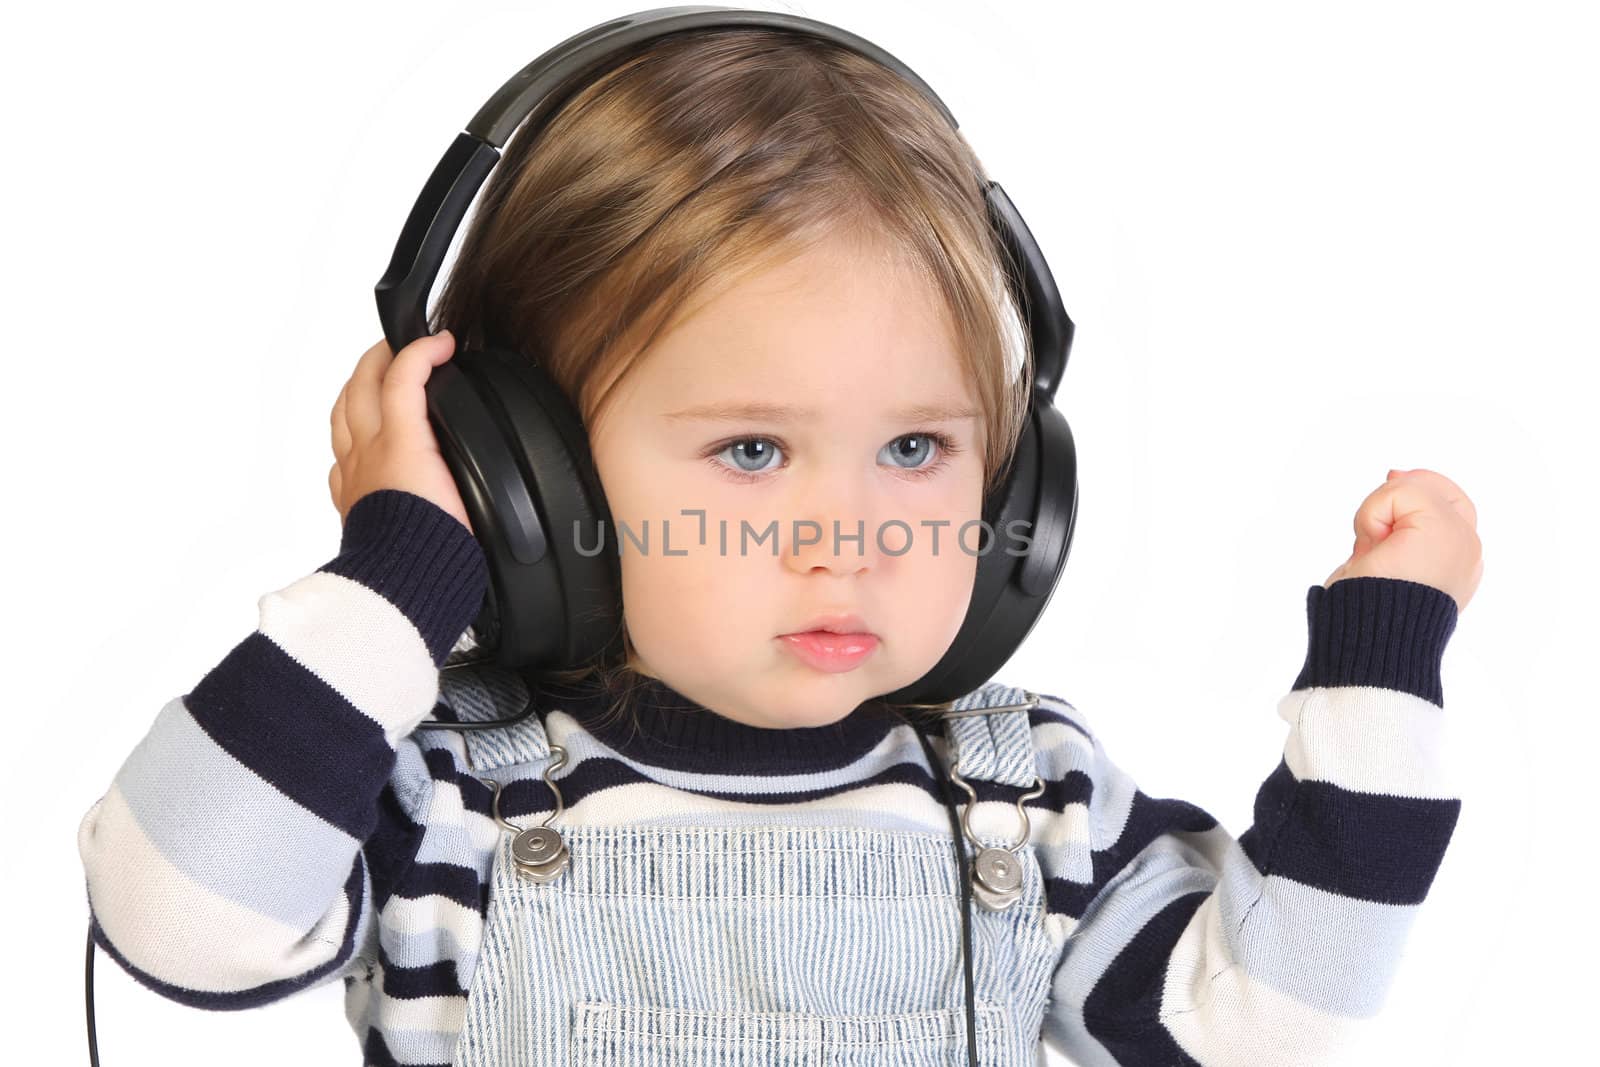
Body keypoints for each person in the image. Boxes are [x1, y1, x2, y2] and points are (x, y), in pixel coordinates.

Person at [76, 24, 1482, 1067]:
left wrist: (1381, 671)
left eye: (919, 449)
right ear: (524, 474)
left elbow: (1277, 1023)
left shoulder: (1031, 802)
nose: (851, 537)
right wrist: (397, 574)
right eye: (752, 451)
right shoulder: (429, 789)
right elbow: (178, 914)